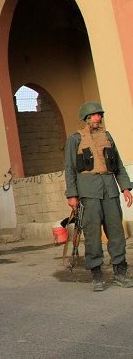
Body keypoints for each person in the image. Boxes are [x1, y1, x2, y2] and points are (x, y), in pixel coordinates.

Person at [64, 101, 133, 291]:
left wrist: (125, 188)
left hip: (110, 190)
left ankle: (120, 272)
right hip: (88, 193)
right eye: (94, 115)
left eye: (99, 115)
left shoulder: (107, 136)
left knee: (116, 233)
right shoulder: (75, 139)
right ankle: (97, 276)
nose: (98, 118)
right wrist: (72, 195)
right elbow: (70, 169)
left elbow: (117, 165)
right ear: (86, 118)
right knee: (93, 234)